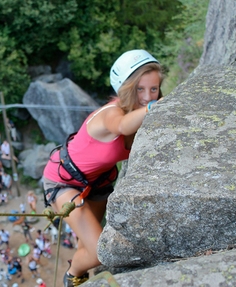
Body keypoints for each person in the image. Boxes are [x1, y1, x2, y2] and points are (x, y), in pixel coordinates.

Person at [42, 49, 163, 287]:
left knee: (87, 244)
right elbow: (122, 126)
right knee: (100, 252)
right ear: (127, 88)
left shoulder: (142, 113)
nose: (148, 96)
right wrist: (153, 107)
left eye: (154, 89)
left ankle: (82, 271)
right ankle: (73, 275)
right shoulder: (112, 113)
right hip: (64, 180)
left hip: (99, 181)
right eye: (140, 89)